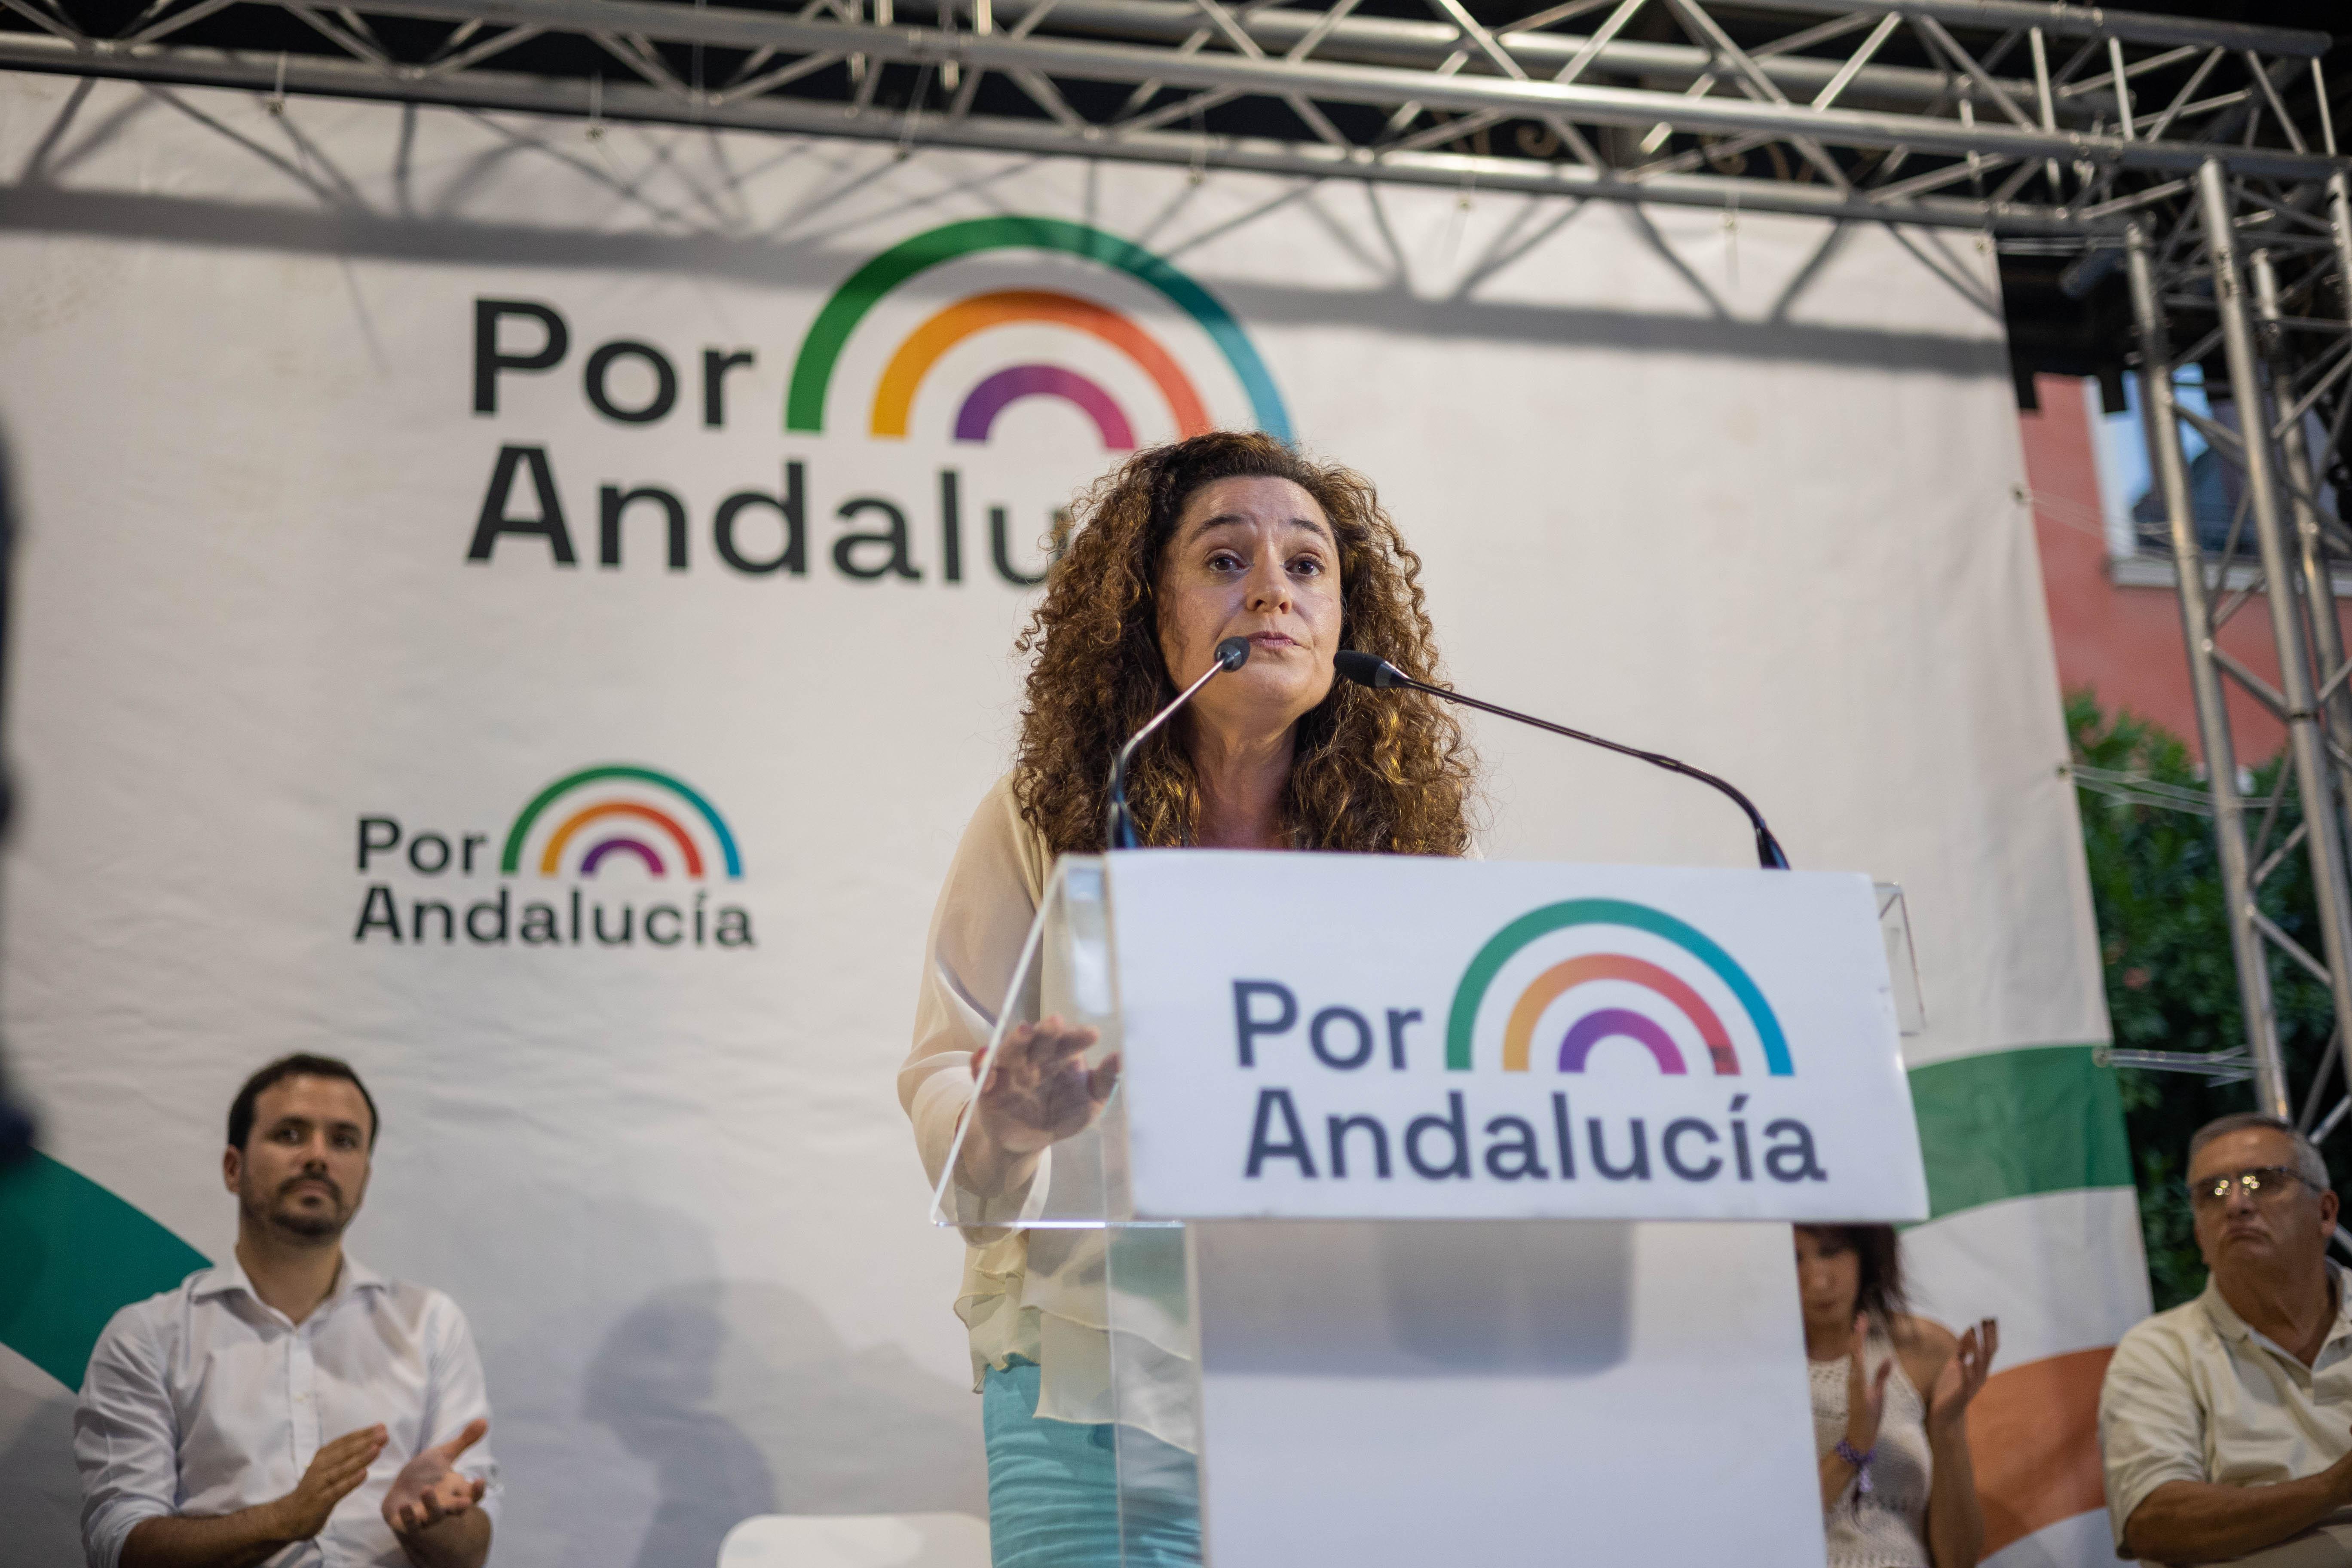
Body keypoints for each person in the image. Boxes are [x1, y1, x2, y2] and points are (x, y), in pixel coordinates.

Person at [897, 431, 1476, 1566]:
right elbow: (942, 1073)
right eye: (1224, 560)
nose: (1273, 587)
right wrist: (1005, 1121)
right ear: (1148, 614)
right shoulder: (1047, 813)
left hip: (1334, 1368)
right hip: (1090, 1377)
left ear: (1344, 626)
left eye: (1308, 566)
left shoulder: (1396, 847)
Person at [75, 1054, 499, 1568]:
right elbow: (118, 1545)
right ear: (234, 1168)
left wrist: (431, 1522)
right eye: (291, 1135)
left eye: (343, 1141)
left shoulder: (430, 1322)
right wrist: (283, 1520)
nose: (318, 1157)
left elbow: (471, 1553)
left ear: (364, 1178)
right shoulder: (148, 1336)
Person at [2100, 1112, 2352, 1565]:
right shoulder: (2160, 1349)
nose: (2236, 1204)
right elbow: (2154, 1521)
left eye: (2264, 1182)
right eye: (2212, 1192)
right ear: (2200, 1233)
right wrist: (2335, 1486)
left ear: (2326, 1212)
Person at [1797, 1223, 1997, 1568]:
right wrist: (1853, 1447)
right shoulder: (1747, 1367)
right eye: (1794, 1259)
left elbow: (1959, 1559)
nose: (1818, 1281)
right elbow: (1752, 1536)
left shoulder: (1925, 1351)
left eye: (1831, 1252)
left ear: (1866, 1251)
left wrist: (1946, 1425)